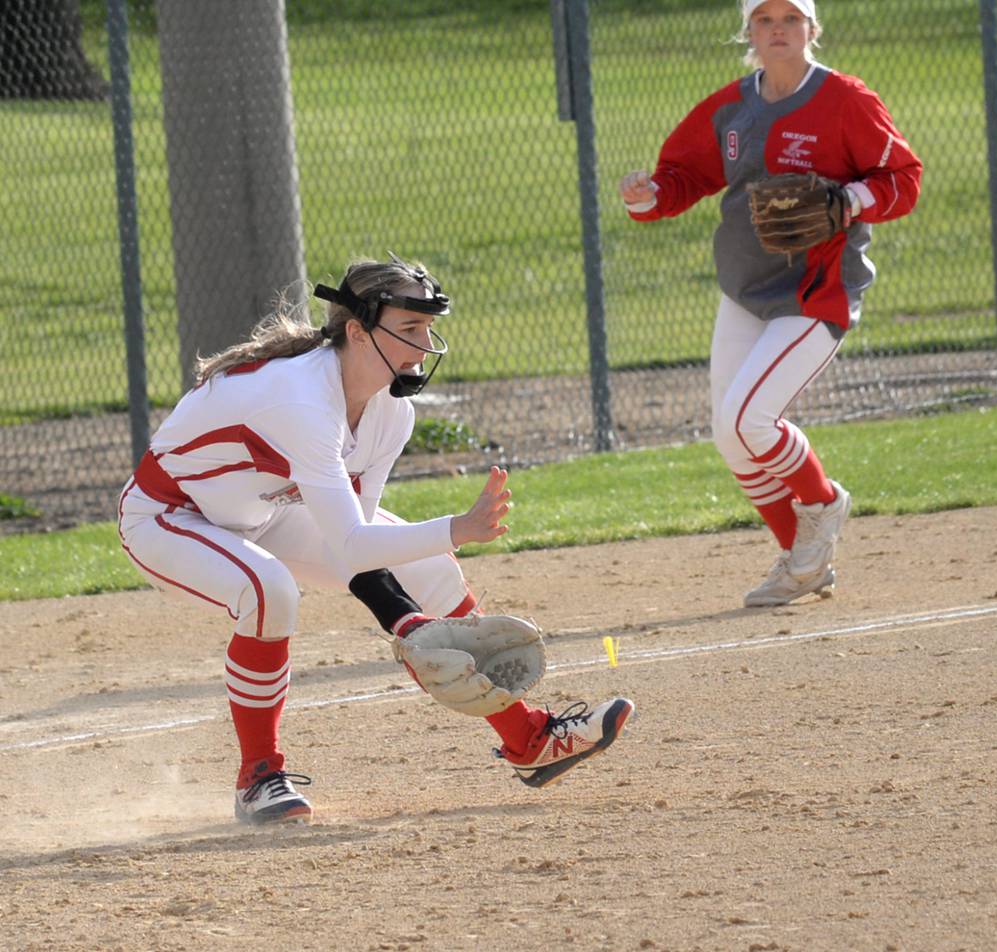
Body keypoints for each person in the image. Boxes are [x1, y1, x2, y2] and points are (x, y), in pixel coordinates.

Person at [116, 255, 633, 825]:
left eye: (428, 327)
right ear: (358, 331)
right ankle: (258, 777)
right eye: (409, 328)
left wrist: (405, 618)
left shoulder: (389, 413)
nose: (425, 341)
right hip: (170, 516)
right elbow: (354, 544)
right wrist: (456, 533)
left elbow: (352, 548)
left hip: (264, 513)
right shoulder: (301, 398)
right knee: (269, 591)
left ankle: (528, 739)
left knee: (430, 570)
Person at [619, 0, 922, 608]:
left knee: (749, 420)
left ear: (812, 29)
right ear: (748, 31)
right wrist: (647, 195)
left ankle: (822, 503)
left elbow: (903, 180)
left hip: (815, 292)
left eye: (790, 18)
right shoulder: (732, 107)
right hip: (745, 288)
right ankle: (804, 563)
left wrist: (847, 200)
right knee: (733, 439)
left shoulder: (846, 100)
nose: (777, 29)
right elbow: (682, 177)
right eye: (765, 19)